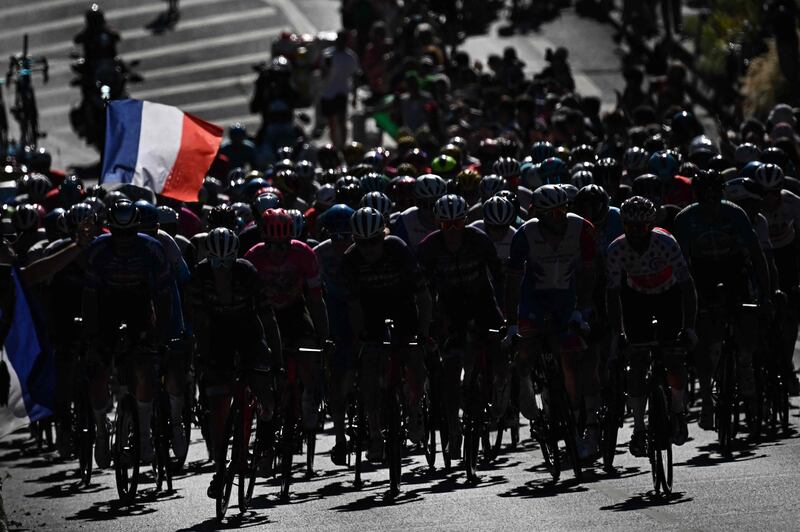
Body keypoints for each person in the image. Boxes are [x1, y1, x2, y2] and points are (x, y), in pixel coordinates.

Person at [673, 170, 772, 430]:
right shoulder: (685, 219)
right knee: (705, 338)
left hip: (733, 269)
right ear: (696, 197)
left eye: (715, 197)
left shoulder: (735, 213)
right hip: (701, 274)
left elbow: (756, 255)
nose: (710, 204)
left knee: (746, 317)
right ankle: (707, 398)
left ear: (721, 195)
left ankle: (746, 364)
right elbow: (680, 264)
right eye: (704, 198)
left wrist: (765, 293)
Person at [186, 228, 280, 498]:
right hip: (216, 335)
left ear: (236, 258)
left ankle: (265, 430)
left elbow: (267, 315)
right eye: (217, 263)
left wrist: (277, 360)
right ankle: (220, 468)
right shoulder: (200, 275)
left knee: (263, 386)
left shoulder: (247, 272)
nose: (222, 269)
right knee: (217, 406)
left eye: (228, 262)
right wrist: (201, 359)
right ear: (209, 259)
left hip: (248, 332)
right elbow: (197, 320)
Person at [82, 199, 174, 467]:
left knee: (145, 367)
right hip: (106, 308)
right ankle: (101, 429)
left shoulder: (152, 249)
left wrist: (162, 333)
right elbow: (88, 298)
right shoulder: (98, 250)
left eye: (129, 234)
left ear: (137, 229)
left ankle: (144, 433)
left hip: (139, 307)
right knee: (97, 367)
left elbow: (164, 295)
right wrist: (90, 337)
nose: (123, 241)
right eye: (118, 234)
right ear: (110, 229)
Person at [505, 184, 597, 454]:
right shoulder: (525, 234)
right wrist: (511, 324)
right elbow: (511, 282)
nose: (557, 218)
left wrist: (582, 308)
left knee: (571, 359)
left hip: (565, 299)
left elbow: (589, 272)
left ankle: (573, 419)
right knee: (528, 348)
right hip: (533, 299)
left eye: (561, 211)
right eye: (550, 213)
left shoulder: (582, 229)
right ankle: (524, 382)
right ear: (538, 214)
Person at [606, 196, 697, 455]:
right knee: (636, 362)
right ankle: (638, 428)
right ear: (623, 225)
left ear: (651, 224)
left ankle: (677, 410)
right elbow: (612, 294)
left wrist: (688, 327)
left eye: (642, 226)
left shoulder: (666, 242)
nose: (636, 232)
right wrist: (618, 333)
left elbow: (687, 287)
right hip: (637, 299)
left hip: (668, 296)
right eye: (630, 226)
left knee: (674, 357)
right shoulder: (616, 249)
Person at [418, 195, 505, 458]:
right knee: (451, 371)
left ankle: (499, 396)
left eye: (458, 224)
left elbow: (499, 278)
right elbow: (421, 288)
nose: (453, 232)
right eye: (446, 226)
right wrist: (428, 324)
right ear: (438, 223)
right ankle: (454, 431)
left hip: (482, 302)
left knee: (499, 348)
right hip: (449, 309)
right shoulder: (429, 247)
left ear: (466, 221)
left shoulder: (479, 240)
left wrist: (507, 318)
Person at [343, 207, 432, 461]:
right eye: (362, 243)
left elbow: (423, 296)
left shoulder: (398, 248)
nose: (368, 249)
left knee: (414, 357)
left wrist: (424, 332)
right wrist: (359, 335)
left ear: (382, 236)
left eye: (373, 242)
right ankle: (374, 432)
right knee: (369, 369)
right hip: (371, 310)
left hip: (402, 306)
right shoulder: (351, 260)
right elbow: (353, 305)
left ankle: (414, 410)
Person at [244, 209, 329, 436]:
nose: (278, 251)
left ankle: (308, 395)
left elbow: (315, 299)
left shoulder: (304, 254)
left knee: (308, 351)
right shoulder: (253, 257)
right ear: (264, 240)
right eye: (272, 245)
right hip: (264, 313)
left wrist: (323, 335)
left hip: (294, 309)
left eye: (284, 245)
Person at [313, 204, 355, 464]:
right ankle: (340, 438)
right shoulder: (318, 254)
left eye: (346, 236)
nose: (341, 243)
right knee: (336, 381)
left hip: (359, 309)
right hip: (332, 314)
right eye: (335, 237)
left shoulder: (361, 251)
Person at [319, 31, 361, 148]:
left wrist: (355, 96)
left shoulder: (351, 57)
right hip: (328, 93)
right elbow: (322, 75)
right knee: (331, 122)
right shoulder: (327, 54)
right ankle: (335, 145)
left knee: (342, 121)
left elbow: (355, 77)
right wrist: (326, 67)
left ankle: (342, 145)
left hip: (341, 92)